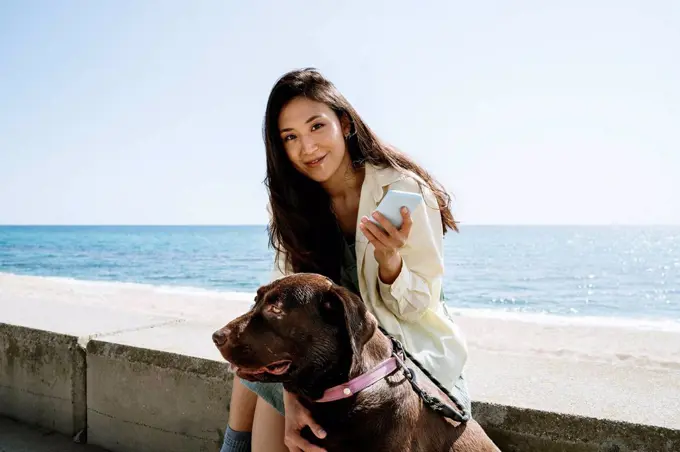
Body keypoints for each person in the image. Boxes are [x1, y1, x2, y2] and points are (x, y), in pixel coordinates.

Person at [220, 68, 470, 452]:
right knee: (252, 360)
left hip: (397, 353)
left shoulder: (403, 190)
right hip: (326, 355)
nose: (308, 147)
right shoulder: (294, 208)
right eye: (291, 137)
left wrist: (391, 264)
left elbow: (420, 303)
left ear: (345, 123)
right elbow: (281, 299)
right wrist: (291, 395)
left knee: (256, 368)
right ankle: (232, 447)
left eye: (316, 126)